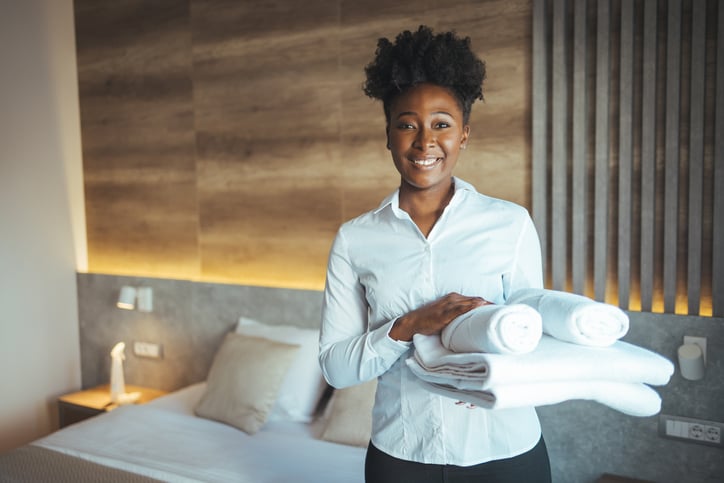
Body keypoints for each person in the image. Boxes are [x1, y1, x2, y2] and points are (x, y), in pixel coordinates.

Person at [319, 25, 552, 483]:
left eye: (442, 124)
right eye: (407, 124)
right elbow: (336, 368)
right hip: (402, 457)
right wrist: (408, 326)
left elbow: (532, 337)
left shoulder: (510, 224)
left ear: (464, 134)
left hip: (505, 450)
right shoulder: (354, 240)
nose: (425, 142)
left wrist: (483, 372)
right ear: (388, 134)